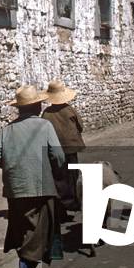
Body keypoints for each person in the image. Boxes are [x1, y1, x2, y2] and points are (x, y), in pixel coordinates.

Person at [0, 85, 66, 268]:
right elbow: (58, 156)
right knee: (39, 231)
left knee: (22, 227)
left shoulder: (7, 130)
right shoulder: (45, 126)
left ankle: (25, 265)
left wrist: (14, 167)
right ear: (37, 106)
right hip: (40, 186)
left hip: (15, 188)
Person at [41, 80, 85, 211]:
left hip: (54, 150)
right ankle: (74, 201)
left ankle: (62, 203)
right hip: (71, 147)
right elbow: (80, 126)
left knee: (59, 176)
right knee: (73, 175)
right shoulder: (69, 110)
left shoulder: (46, 113)